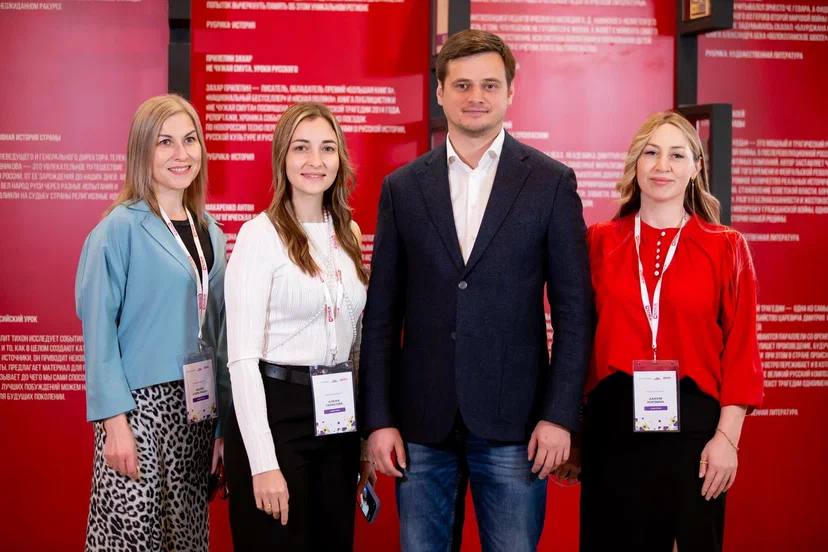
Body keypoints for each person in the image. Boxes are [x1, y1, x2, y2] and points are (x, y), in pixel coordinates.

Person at [360, 29, 593, 551]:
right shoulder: (402, 187)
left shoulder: (551, 183)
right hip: (422, 426)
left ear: (510, 92)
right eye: (462, 85)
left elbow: (575, 313)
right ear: (439, 92)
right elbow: (381, 316)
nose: (476, 97)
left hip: (517, 426)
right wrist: (379, 420)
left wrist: (560, 416)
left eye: (489, 85)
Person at [577, 111, 763, 551]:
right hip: (612, 426)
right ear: (635, 163)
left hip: (697, 429)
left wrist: (727, 440)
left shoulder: (726, 246)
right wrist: (573, 429)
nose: (663, 166)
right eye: (651, 153)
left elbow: (742, 351)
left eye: (677, 155)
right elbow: (576, 341)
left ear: (695, 167)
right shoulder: (598, 241)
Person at [76, 94, 228, 551]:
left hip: (197, 412)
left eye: (190, 140)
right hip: (138, 412)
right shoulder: (118, 228)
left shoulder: (211, 231)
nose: (181, 154)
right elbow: (98, 331)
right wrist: (114, 423)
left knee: (186, 539)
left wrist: (220, 428)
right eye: (165, 142)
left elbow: (219, 333)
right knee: (133, 539)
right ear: (143, 151)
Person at [223, 102, 374, 550]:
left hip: (336, 418)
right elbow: (241, 360)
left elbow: (355, 342)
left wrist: (362, 441)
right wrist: (263, 462)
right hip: (276, 414)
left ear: (340, 159)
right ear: (282, 158)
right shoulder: (258, 236)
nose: (315, 161)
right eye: (301, 147)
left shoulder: (348, 233)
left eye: (327, 148)